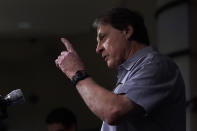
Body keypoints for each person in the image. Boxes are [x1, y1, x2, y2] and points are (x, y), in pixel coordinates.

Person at [55, 8, 186, 131]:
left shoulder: (157, 64)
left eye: (103, 37)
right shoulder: (133, 72)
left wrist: (76, 73)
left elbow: (112, 111)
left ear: (127, 31)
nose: (98, 48)